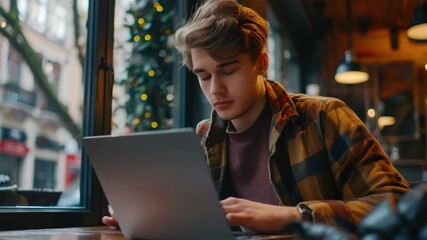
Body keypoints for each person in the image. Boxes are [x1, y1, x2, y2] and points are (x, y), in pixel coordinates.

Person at [103, 0, 410, 234]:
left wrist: (295, 215)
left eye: (228, 70)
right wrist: (144, 216)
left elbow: (399, 205)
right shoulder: (204, 138)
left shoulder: (324, 116)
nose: (216, 89)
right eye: (204, 76)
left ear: (261, 63)